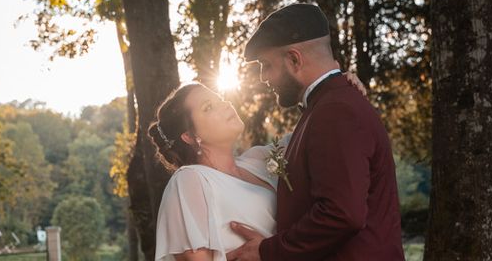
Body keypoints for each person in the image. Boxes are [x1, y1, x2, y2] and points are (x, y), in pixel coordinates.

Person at [226, 3, 404, 261]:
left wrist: (268, 251)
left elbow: (342, 214)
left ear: (294, 59)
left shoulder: (335, 111)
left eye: (266, 65)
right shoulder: (329, 106)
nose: (264, 78)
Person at [149, 66, 366, 260]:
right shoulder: (190, 180)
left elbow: (317, 129)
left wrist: (338, 89)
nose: (224, 104)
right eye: (208, 107)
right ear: (189, 135)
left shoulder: (259, 160)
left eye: (219, 98)